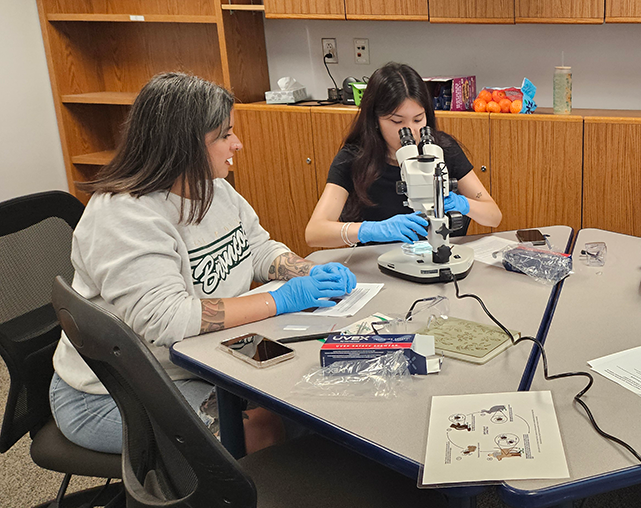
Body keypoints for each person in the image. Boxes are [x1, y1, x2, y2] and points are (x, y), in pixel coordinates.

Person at [50, 73, 358, 455]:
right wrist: (281, 299)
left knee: (309, 394)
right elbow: (168, 320)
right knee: (262, 430)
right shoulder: (122, 216)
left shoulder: (212, 188)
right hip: (111, 393)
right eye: (225, 135)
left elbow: (257, 247)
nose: (237, 143)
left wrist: (307, 271)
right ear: (184, 145)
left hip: (198, 361)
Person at [306, 62, 501, 248]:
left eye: (418, 119)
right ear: (375, 120)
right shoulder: (354, 158)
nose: (411, 132)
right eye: (397, 121)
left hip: (438, 256)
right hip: (378, 262)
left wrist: (463, 204)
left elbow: (493, 216)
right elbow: (314, 232)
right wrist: (371, 230)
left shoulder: (443, 150)